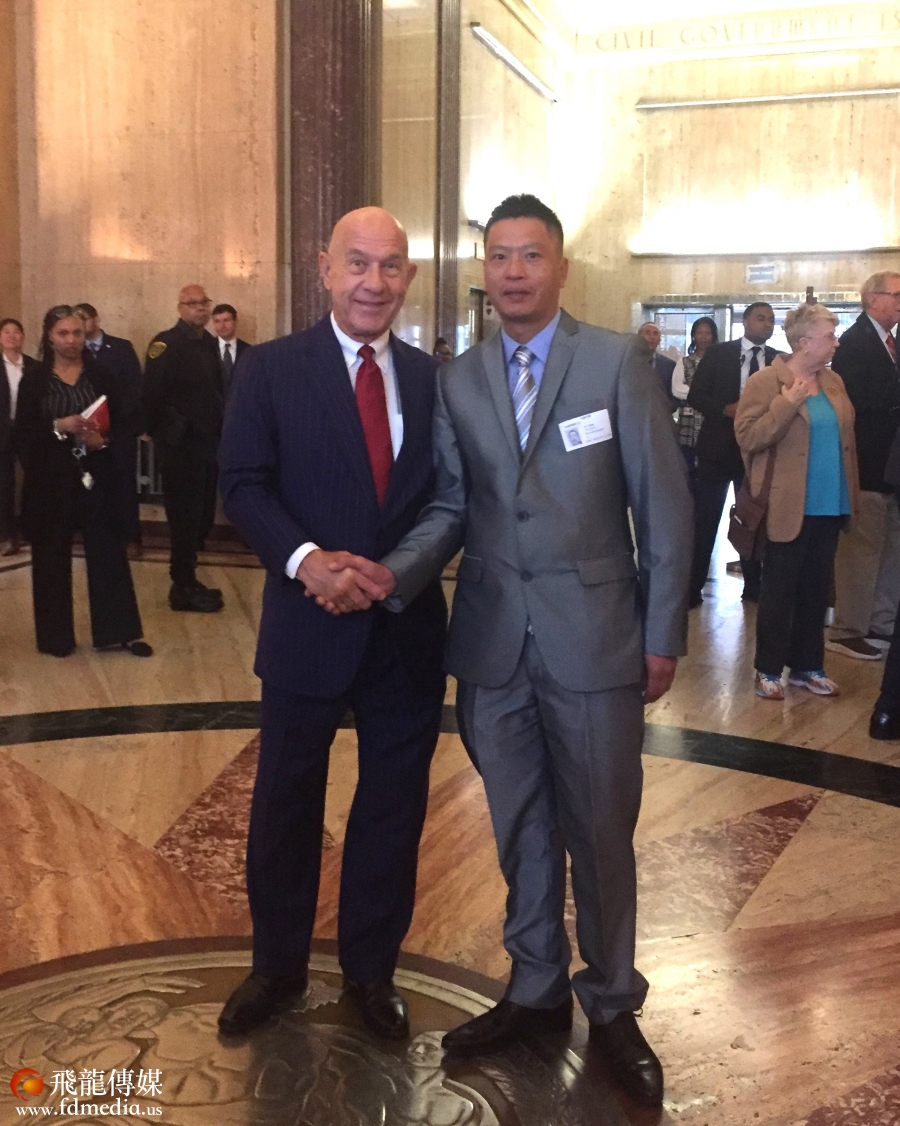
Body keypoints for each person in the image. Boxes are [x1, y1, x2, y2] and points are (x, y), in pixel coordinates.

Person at [362, 194, 692, 1107]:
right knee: (520, 827)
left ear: (560, 268)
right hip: (494, 645)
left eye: (531, 255)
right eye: (500, 256)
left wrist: (663, 633)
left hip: (596, 642)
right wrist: (392, 575)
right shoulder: (460, 379)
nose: (513, 271)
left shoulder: (616, 362)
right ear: (486, 270)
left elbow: (664, 507)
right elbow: (452, 507)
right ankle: (536, 985)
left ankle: (613, 1002)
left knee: (601, 829)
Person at [216, 207, 448, 1043]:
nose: (372, 283)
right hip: (306, 625)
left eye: (389, 266)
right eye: (357, 263)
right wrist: (307, 560)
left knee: (393, 808)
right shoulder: (271, 369)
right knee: (285, 802)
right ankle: (276, 967)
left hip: (404, 629)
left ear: (408, 277)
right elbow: (242, 483)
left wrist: (395, 573)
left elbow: (448, 499)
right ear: (324, 268)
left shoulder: (432, 380)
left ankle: (371, 972)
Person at [14, 306, 152, 659]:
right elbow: (23, 432)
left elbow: (126, 420)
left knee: (108, 550)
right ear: (49, 336)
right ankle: (55, 638)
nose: (71, 340)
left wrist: (102, 440)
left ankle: (117, 632)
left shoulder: (102, 375)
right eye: (63, 333)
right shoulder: (35, 379)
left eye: (76, 332)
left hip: (97, 474)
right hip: (50, 479)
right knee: (51, 555)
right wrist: (58, 426)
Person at [734, 304, 857, 699]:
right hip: (786, 506)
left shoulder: (833, 381)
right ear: (804, 342)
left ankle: (808, 666)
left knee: (816, 590)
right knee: (779, 591)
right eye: (829, 336)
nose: (836, 342)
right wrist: (786, 404)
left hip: (830, 501)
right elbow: (748, 437)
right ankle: (768, 669)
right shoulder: (766, 381)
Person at [825, 272, 900, 661]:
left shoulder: (891, 341)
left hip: (891, 466)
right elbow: (855, 401)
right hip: (868, 463)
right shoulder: (855, 342)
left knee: (890, 548)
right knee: (861, 551)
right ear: (873, 299)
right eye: (896, 295)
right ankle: (848, 628)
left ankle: (880, 623)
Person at [687, 302, 781, 607]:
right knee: (705, 520)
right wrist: (725, 409)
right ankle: (692, 588)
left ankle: (753, 587)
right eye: (760, 318)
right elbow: (696, 395)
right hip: (717, 449)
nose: (766, 324)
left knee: (752, 520)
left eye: (771, 320)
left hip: (756, 452)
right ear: (745, 322)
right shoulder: (719, 353)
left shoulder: (778, 360)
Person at [142, 285, 224, 612]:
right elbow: (151, 395)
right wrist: (170, 430)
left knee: (201, 515)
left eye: (204, 302)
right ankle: (181, 586)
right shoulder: (166, 344)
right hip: (180, 447)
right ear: (180, 308)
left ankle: (189, 578)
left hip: (207, 445)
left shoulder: (208, 343)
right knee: (183, 518)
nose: (200, 308)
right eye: (193, 303)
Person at [73, 303, 144, 552]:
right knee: (91, 484)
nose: (81, 324)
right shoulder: (76, 351)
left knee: (124, 484)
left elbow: (135, 388)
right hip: (86, 430)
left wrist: (115, 419)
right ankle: (96, 535)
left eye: (84, 318)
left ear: (96, 318)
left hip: (119, 429)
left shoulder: (121, 348)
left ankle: (131, 537)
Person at [0, 318, 39, 555]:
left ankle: (30, 530)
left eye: (16, 332)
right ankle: (7, 535)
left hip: (28, 431)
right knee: (4, 484)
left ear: (23, 337)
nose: (12, 336)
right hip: (2, 431)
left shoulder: (34, 366)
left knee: (34, 480)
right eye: (6, 332)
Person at [671, 316, 718, 486]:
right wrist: (706, 393)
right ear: (693, 336)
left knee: (709, 478)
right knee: (687, 473)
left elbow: (723, 392)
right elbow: (677, 389)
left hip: (712, 426)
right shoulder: (684, 362)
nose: (704, 337)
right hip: (688, 427)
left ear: (713, 336)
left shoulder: (720, 362)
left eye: (708, 333)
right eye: (699, 333)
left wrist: (693, 390)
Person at [210, 303, 250, 401]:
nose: (222, 326)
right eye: (217, 321)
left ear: (235, 321)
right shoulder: (206, 348)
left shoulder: (248, 351)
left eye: (226, 320)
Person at [638, 320, 675, 402]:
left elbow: (672, 395)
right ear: (638, 338)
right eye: (647, 333)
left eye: (655, 334)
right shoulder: (628, 363)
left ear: (659, 340)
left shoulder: (669, 365)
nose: (652, 337)